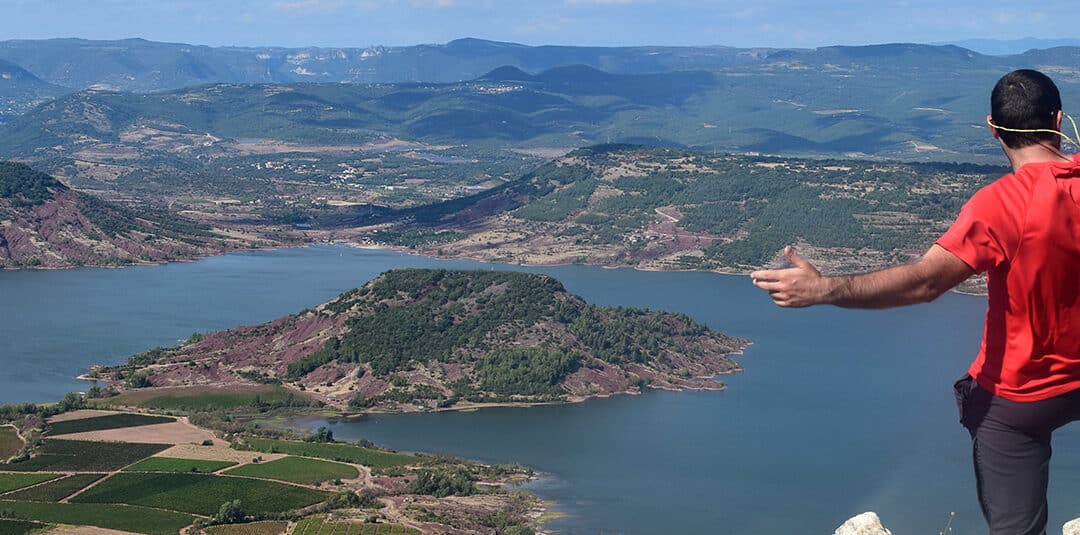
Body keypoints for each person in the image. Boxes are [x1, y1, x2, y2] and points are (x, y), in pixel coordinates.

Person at [750, 69, 1080, 535]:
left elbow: (925, 283)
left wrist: (823, 289)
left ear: (992, 128)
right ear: (1059, 119)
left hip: (1018, 398)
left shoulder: (1000, 205)